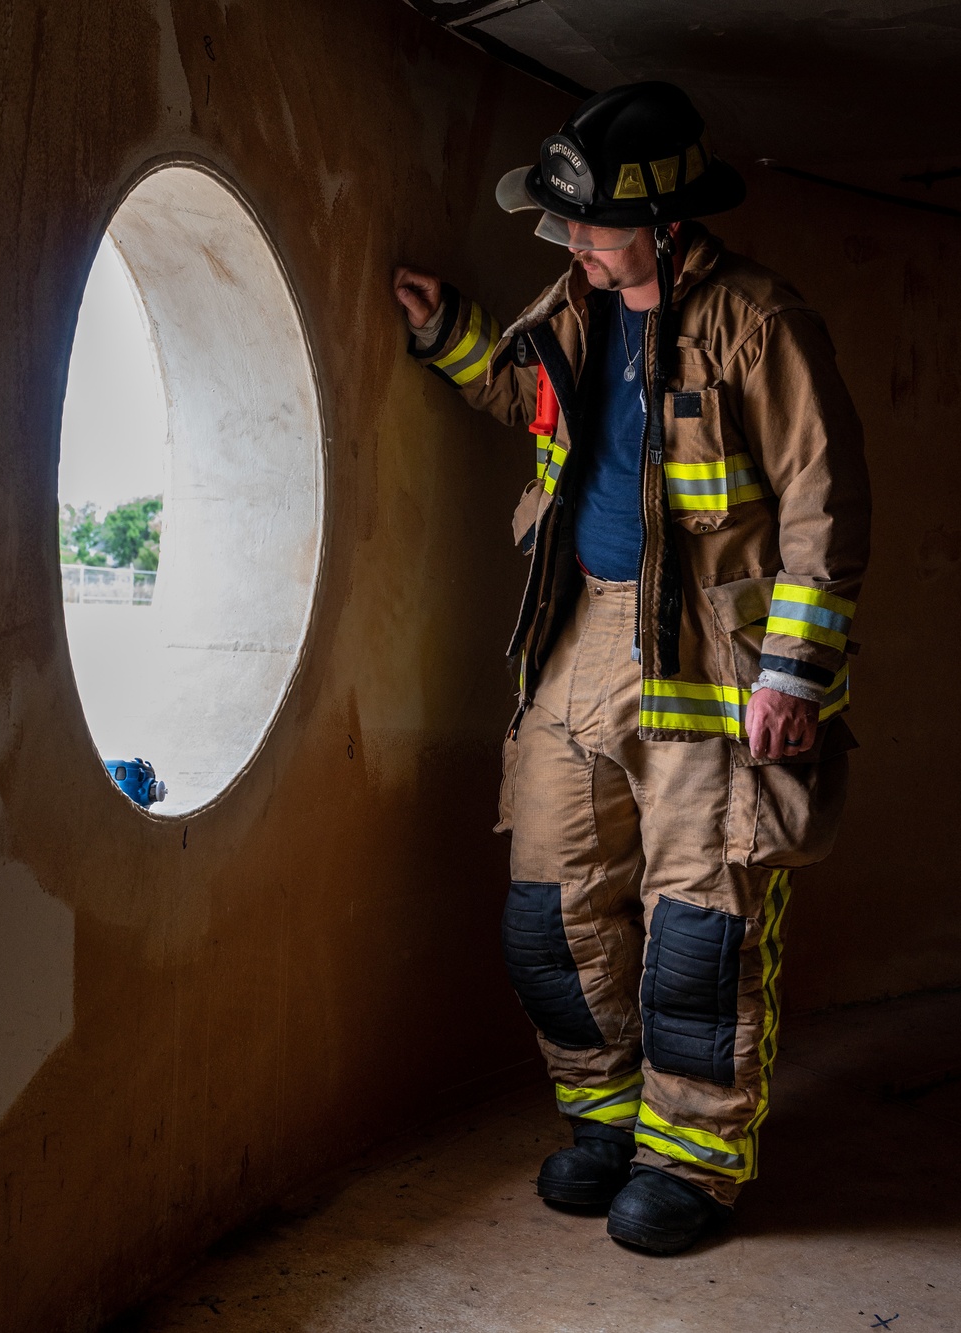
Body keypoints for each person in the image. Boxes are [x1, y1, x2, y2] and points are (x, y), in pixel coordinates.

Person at [393, 82, 870, 1254]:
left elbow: (822, 504)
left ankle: (691, 1161)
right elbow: (535, 401)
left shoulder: (761, 322)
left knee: (699, 933)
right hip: (580, 640)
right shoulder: (574, 304)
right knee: (544, 916)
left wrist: (793, 678)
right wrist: (453, 336)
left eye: (585, 225)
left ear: (659, 226)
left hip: (717, 662)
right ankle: (605, 1121)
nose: (564, 241)